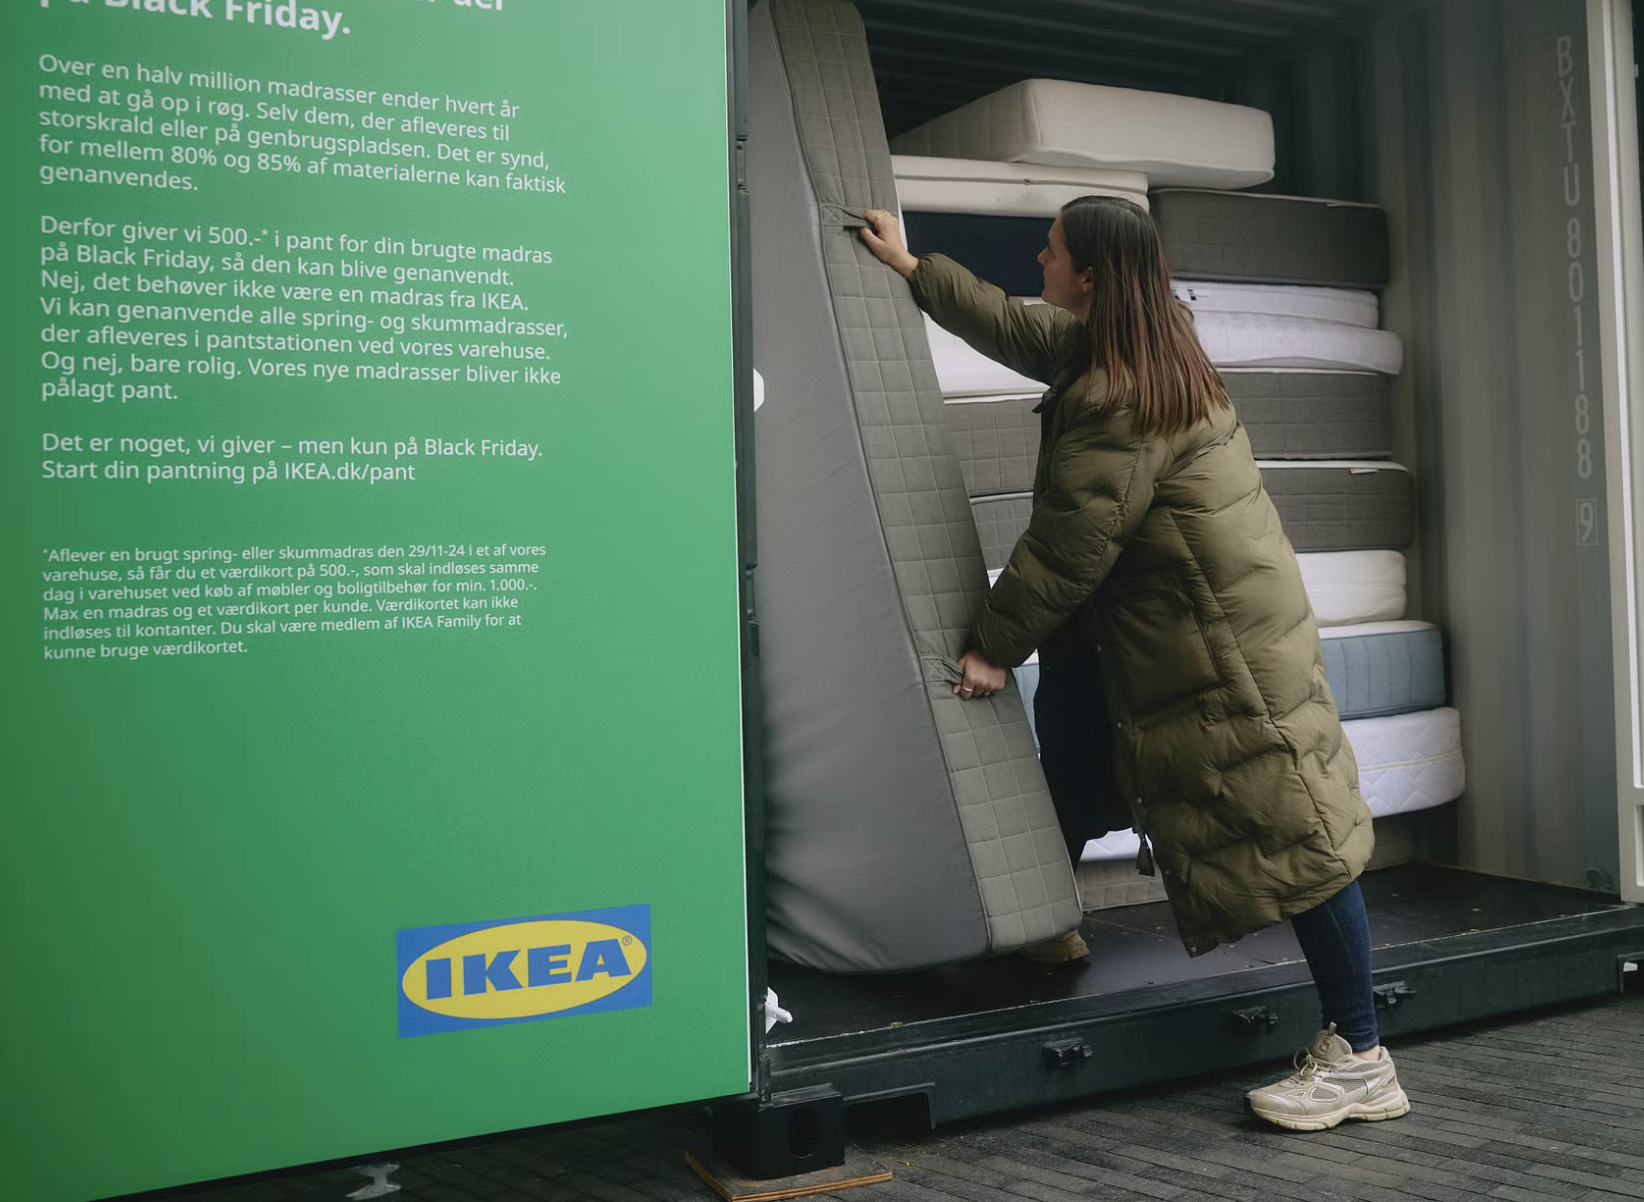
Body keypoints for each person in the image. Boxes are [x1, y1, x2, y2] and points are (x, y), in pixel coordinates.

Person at [858, 198, 1409, 1133]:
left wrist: (993, 647)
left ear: (1092, 276)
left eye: (1052, 251)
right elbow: (1017, 327)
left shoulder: (1121, 396)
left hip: (1222, 647)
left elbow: (1071, 543)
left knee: (1298, 834)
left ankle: (1361, 1057)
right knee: (1076, 753)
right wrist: (915, 268)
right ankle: (1047, 924)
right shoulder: (1121, 344)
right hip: (1157, 628)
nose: (1039, 259)